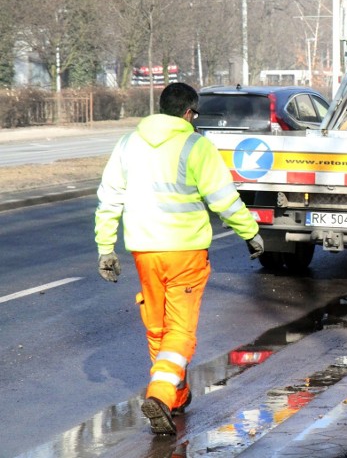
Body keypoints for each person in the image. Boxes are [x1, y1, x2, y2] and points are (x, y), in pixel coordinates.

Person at [94, 82, 264, 435]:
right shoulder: (196, 145)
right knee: (181, 332)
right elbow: (223, 200)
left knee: (158, 327)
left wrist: (105, 248)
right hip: (185, 251)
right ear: (189, 112)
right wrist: (250, 233)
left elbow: (109, 199)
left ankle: (177, 392)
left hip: (145, 251)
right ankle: (159, 393)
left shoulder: (128, 143)